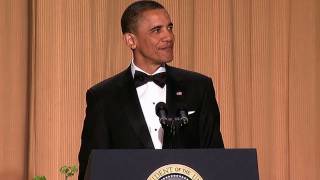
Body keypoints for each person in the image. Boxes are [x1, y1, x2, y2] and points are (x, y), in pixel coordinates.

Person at [78, 1, 224, 179]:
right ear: (131, 40)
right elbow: (92, 169)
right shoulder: (103, 97)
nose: (168, 36)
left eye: (169, 28)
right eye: (157, 30)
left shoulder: (199, 87)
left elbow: (217, 159)